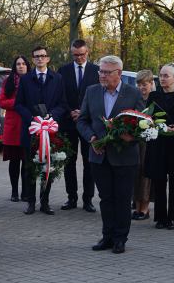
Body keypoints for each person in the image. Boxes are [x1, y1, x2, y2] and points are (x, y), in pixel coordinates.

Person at [78, 55, 145, 254]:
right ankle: (107, 236)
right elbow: (82, 120)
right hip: (98, 155)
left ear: (119, 73)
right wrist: (91, 138)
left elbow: (144, 124)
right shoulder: (91, 91)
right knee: (106, 198)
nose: (102, 75)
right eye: (101, 71)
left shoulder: (133, 93)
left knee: (122, 199)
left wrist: (131, 137)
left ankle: (120, 238)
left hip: (125, 157)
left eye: (107, 72)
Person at [15, 45, 66, 215]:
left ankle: (45, 202)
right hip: (31, 129)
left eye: (43, 56)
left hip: (50, 131)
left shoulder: (57, 78)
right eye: (36, 56)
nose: (40, 58)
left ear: (48, 58)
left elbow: (62, 104)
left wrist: (51, 116)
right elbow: (18, 104)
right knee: (30, 168)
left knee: (48, 166)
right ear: (33, 59)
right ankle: (31, 202)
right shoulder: (25, 79)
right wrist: (32, 118)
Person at [144, 64, 174, 229]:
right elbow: (147, 117)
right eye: (161, 75)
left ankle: (172, 217)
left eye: (166, 76)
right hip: (159, 143)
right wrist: (156, 126)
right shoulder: (154, 95)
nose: (162, 78)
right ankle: (161, 217)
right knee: (159, 180)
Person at [59, 39, 100, 212]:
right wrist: (70, 111)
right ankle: (71, 197)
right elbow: (60, 96)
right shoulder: (63, 71)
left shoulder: (96, 71)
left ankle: (88, 199)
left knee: (89, 162)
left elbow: (97, 97)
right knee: (69, 161)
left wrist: (82, 112)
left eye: (82, 54)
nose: (79, 58)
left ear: (87, 52)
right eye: (75, 55)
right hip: (68, 122)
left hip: (88, 123)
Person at [0, 55, 31, 202]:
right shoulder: (8, 81)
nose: (21, 66)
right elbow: (2, 102)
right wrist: (18, 102)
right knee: (14, 161)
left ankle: (25, 192)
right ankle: (14, 192)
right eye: (18, 64)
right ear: (14, 66)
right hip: (12, 127)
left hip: (28, 125)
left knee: (27, 162)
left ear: (27, 66)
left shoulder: (32, 80)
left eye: (23, 63)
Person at [132, 70, 155, 221]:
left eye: (144, 84)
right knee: (136, 172)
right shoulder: (135, 99)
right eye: (139, 84)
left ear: (151, 84)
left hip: (150, 142)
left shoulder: (155, 99)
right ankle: (137, 204)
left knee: (146, 173)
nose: (141, 87)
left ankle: (145, 208)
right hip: (136, 141)